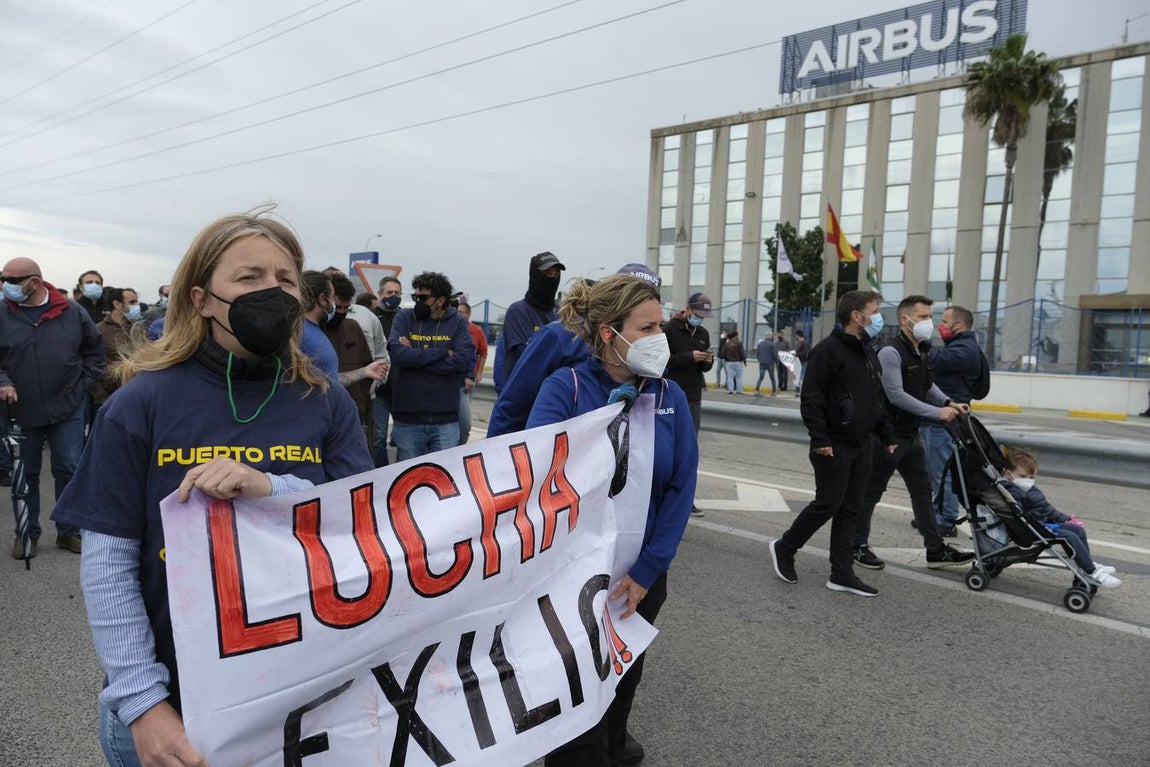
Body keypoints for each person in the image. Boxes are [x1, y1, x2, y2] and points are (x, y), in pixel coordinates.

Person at [51, 209, 374, 767]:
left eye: (285, 279)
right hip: (176, 711)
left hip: (301, 702)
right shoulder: (140, 404)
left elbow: (361, 527)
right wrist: (144, 705)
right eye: (249, 278)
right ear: (200, 299)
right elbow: (108, 566)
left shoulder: (324, 400)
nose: (271, 291)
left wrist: (268, 486)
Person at [529, 274, 696, 767]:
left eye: (660, 326)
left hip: (638, 580)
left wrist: (648, 571)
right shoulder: (567, 387)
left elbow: (681, 488)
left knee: (623, 680)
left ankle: (615, 744)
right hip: (570, 581)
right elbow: (535, 472)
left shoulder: (670, 397)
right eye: (646, 328)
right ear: (609, 333)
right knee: (577, 698)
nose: (658, 339)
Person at [769, 290, 896, 598]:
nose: (878, 317)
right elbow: (810, 398)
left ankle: (841, 573)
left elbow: (874, 399)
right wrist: (820, 437)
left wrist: (887, 434)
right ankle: (786, 547)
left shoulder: (867, 351)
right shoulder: (827, 350)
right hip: (833, 444)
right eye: (874, 311)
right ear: (857, 316)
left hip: (862, 443)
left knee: (850, 509)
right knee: (828, 503)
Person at [850, 295, 976, 574]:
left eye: (930, 316)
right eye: (922, 317)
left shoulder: (922, 349)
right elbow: (896, 395)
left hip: (911, 435)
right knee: (871, 492)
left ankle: (935, 549)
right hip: (888, 436)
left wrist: (947, 402)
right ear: (905, 320)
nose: (928, 322)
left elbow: (927, 385)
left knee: (922, 493)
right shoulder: (890, 352)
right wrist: (936, 413)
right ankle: (856, 545)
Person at [0, 257, 104, 557]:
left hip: (67, 407)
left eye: (11, 279)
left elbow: (94, 351)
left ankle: (69, 532)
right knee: (25, 473)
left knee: (69, 469)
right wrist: (3, 381)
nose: (5, 284)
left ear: (34, 282)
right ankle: (26, 532)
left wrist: (82, 385)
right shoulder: (3, 312)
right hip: (20, 409)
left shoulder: (71, 311)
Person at [488, 264, 663, 440]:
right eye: (634, 296)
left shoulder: (654, 362)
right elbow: (513, 404)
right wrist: (496, 458)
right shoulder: (560, 338)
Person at [1003, 449, 1120, 587]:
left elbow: (1046, 508)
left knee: (1077, 530)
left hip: (1041, 525)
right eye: (1023, 476)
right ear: (1009, 474)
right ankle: (1091, 571)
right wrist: (1042, 526)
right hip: (1031, 530)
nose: (1028, 481)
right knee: (1070, 537)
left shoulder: (1029, 489)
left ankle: (1086, 564)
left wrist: (1066, 519)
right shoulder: (1012, 492)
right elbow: (1020, 515)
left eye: (1032, 477)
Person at [388, 271, 473, 460]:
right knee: (409, 481)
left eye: (423, 297)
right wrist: (442, 352)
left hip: (445, 419)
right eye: (415, 296)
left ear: (441, 300)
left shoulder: (457, 321)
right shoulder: (404, 317)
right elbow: (399, 354)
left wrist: (416, 359)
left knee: (443, 482)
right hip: (407, 418)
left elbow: (462, 360)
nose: (418, 302)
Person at [922, 305, 983, 534]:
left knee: (943, 474)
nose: (939, 325)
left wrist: (918, 341)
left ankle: (946, 520)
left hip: (945, 423)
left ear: (958, 325)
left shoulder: (965, 349)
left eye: (944, 321)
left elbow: (936, 360)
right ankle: (933, 515)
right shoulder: (960, 346)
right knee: (932, 474)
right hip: (936, 420)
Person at [662, 291, 713, 518]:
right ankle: (663, 495)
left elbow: (703, 369)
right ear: (688, 309)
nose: (700, 318)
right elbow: (664, 360)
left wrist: (707, 362)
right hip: (671, 397)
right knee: (668, 451)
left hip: (694, 399)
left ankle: (686, 499)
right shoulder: (670, 330)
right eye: (698, 313)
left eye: (704, 315)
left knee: (689, 452)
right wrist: (689, 357)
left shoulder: (703, 333)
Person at [493, 251, 564, 392]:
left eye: (556, 274)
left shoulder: (562, 312)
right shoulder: (518, 312)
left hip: (553, 394)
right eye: (548, 273)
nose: (552, 277)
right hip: (523, 395)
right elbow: (529, 357)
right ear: (535, 275)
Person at [371, 276, 403, 466]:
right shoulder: (372, 316)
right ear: (380, 294)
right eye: (389, 292)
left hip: (403, 388)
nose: (393, 296)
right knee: (378, 438)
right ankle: (381, 476)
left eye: (397, 293)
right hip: (380, 389)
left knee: (404, 440)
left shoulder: (406, 317)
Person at [93, 287, 142, 410]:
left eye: (137, 302)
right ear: (117, 304)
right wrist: (101, 397)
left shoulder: (137, 329)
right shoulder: (98, 331)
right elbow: (92, 364)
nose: (137, 306)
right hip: (109, 398)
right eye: (132, 303)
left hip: (137, 395)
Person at [456, 301, 488, 445]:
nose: (460, 315)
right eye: (458, 312)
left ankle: (459, 449)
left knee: (465, 423)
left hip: (467, 380)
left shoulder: (476, 331)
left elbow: (483, 353)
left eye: (463, 312)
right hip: (452, 379)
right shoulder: (451, 329)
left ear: (469, 314)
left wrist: (478, 373)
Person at [723, 329, 746, 395]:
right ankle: (739, 392)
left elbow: (723, 353)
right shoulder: (739, 343)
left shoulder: (727, 344)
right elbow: (742, 353)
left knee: (730, 377)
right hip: (738, 362)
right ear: (735, 336)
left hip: (729, 362)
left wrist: (726, 359)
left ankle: (731, 391)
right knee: (739, 378)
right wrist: (744, 361)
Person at [793, 329, 810, 396]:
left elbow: (806, 353)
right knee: (797, 377)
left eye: (796, 336)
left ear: (798, 336)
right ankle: (798, 391)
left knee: (801, 377)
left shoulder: (805, 344)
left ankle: (800, 391)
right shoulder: (799, 344)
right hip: (798, 363)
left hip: (803, 362)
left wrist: (796, 354)